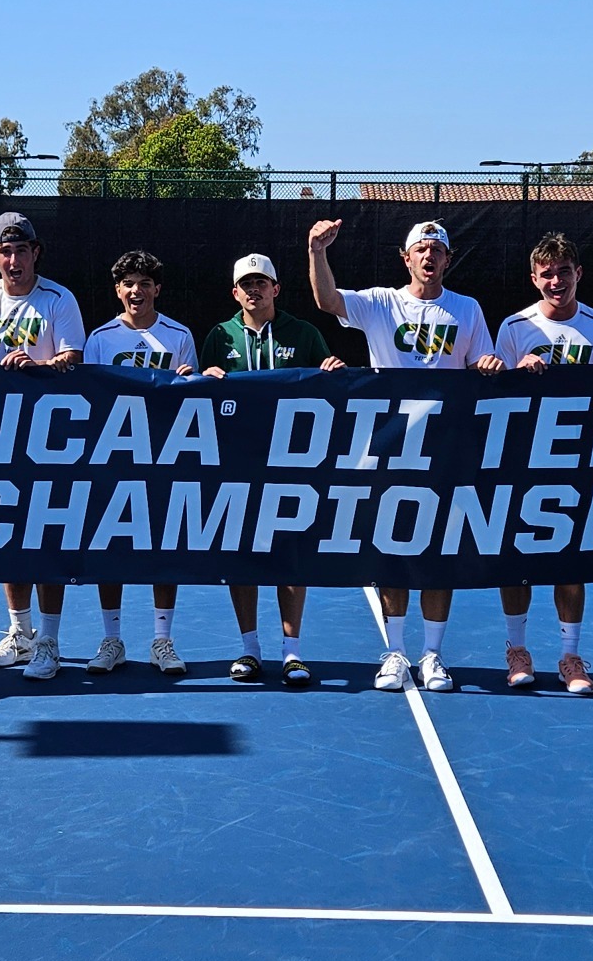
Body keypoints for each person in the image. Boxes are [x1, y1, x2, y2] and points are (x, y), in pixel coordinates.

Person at [309, 216, 502, 693]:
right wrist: (316, 252)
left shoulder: (467, 309)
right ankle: (395, 652)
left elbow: (480, 361)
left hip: (447, 451)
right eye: (421, 249)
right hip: (391, 452)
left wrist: (487, 364)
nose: (429, 256)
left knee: (438, 554)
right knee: (393, 552)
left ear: (448, 260)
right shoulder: (380, 303)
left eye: (438, 250)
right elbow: (327, 300)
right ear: (406, 257)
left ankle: (433, 655)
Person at [200, 252, 346, 686]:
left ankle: (292, 652)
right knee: (243, 557)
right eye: (246, 283)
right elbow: (199, 398)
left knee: (289, 555)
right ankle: (249, 650)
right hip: (237, 463)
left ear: (276, 289)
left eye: (261, 282)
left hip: (291, 464)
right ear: (235, 292)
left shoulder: (303, 333)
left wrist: (330, 371)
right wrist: (204, 378)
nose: (254, 289)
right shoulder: (219, 335)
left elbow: (328, 388)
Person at [492, 232, 593, 695]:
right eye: (546, 274)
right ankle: (517, 651)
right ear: (534, 278)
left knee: (571, 561)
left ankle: (570, 656)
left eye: (563, 272)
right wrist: (513, 370)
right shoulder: (513, 328)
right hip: (524, 461)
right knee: (517, 559)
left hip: (581, 462)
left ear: (578, 274)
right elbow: (494, 394)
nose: (555, 282)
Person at [0, 211, 85, 680]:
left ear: (36, 253)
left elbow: (74, 356)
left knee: (48, 532)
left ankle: (50, 641)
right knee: (8, 531)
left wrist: (39, 364)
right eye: (5, 251)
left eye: (22, 250)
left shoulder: (59, 299)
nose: (14, 260)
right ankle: (21, 633)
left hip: (54, 434)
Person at [81, 250, 199, 677]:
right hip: (113, 456)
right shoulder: (100, 338)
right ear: (118, 290)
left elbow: (193, 400)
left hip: (165, 457)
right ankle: (112, 639)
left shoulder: (178, 335)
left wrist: (188, 381)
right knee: (111, 547)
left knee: (162, 546)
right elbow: (90, 399)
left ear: (157, 290)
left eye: (145, 283)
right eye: (128, 283)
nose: (136, 291)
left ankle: (162, 641)